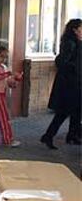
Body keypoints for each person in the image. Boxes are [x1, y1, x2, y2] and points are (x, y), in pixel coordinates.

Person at [40, 19, 82, 149]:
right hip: (69, 83)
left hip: (76, 82)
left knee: (77, 111)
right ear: (75, 30)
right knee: (63, 112)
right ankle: (48, 136)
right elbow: (64, 62)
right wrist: (75, 69)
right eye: (81, 28)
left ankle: (72, 135)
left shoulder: (77, 42)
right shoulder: (69, 43)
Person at [0, 45, 22, 147]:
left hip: (1, 93)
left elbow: (7, 81)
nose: (4, 59)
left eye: (5, 57)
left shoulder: (3, 67)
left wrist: (15, 80)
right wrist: (9, 74)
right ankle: (8, 139)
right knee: (3, 117)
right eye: (2, 56)